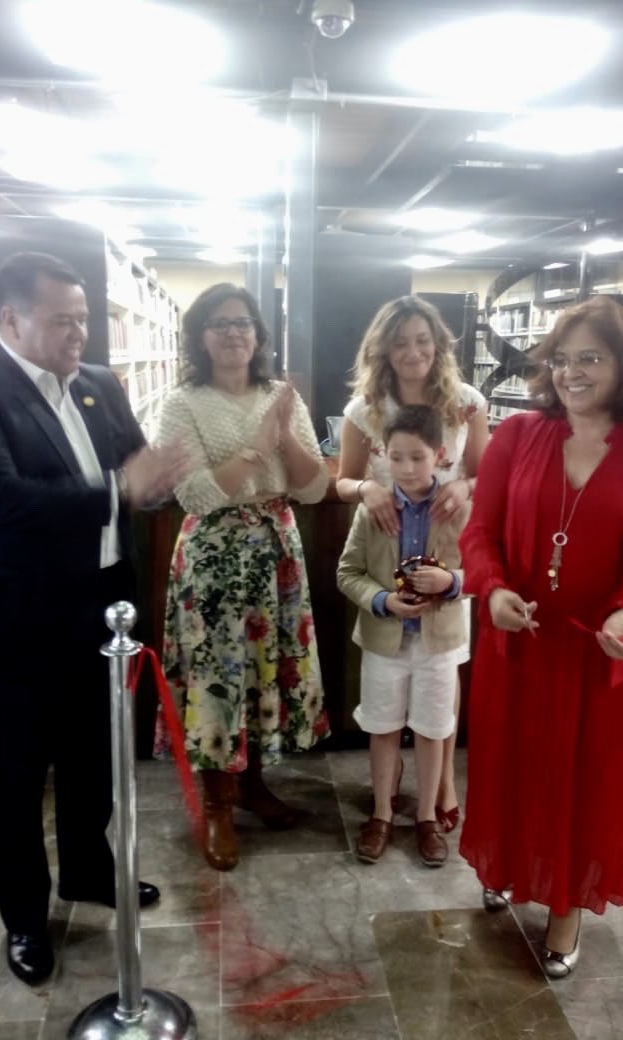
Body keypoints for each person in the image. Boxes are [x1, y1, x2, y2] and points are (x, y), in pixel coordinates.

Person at [0, 251, 187, 986]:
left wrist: (155, 486)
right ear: (9, 319)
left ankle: (88, 871)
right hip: (12, 621)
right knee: (15, 781)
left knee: (95, 761)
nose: (79, 333)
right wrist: (120, 488)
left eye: (83, 319)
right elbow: (0, 502)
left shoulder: (100, 384)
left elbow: (137, 470)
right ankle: (25, 918)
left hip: (100, 610)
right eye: (62, 321)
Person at [459, 295, 623, 978]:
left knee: (586, 783)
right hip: (522, 645)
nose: (571, 373)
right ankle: (505, 867)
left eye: (589, 357)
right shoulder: (514, 437)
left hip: (601, 656)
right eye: (561, 359)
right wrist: (493, 589)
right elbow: (480, 533)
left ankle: (565, 907)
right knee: (512, 766)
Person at [156, 282, 330, 872]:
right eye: (220, 323)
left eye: (243, 323)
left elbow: (313, 488)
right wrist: (257, 449)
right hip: (213, 557)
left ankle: (253, 785)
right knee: (218, 675)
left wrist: (285, 435)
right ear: (200, 337)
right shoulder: (181, 403)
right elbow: (196, 495)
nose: (233, 333)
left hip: (276, 550)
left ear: (258, 335)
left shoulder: (281, 396)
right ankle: (218, 806)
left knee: (263, 670)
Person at [336, 295, 487, 831]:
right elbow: (343, 478)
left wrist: (464, 487)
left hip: (448, 545)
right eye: (400, 342)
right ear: (383, 349)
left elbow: (485, 474)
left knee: (444, 669)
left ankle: (442, 782)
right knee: (391, 682)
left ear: (438, 344)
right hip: (388, 544)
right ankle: (393, 783)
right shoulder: (363, 409)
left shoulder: (466, 402)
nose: (413, 351)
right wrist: (367, 490)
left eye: (423, 340)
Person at [337, 404, 468, 868]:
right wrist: (381, 600)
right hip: (384, 641)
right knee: (383, 726)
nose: (407, 468)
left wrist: (451, 581)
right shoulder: (372, 511)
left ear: (440, 455)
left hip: (438, 643)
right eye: (396, 457)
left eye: (418, 457)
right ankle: (382, 813)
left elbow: (486, 571)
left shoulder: (457, 509)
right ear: (382, 455)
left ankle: (427, 816)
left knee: (432, 729)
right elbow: (347, 572)